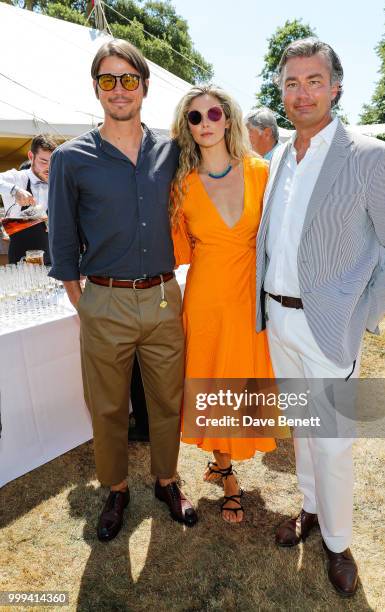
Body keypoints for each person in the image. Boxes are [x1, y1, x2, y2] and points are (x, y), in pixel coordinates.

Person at [255, 38, 385, 596]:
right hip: (279, 323)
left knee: (333, 441)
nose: (302, 93)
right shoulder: (278, 155)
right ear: (281, 91)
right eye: (291, 83)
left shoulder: (370, 156)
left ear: (336, 87)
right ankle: (309, 509)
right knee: (305, 432)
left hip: (330, 328)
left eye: (314, 81)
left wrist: (364, 313)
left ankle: (338, 541)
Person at [48, 39, 198, 542]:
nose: (119, 89)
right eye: (108, 80)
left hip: (162, 296)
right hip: (104, 298)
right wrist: (82, 299)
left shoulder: (172, 150)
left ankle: (166, 479)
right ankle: (115, 487)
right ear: (96, 88)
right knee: (108, 404)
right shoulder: (71, 158)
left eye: (128, 79)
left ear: (145, 87)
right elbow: (62, 237)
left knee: (167, 399)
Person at [171, 85, 276, 524]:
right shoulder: (181, 184)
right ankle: (227, 472)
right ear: (187, 128)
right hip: (207, 301)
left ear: (229, 118)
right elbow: (173, 249)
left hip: (251, 300)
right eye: (195, 118)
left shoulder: (260, 172)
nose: (206, 123)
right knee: (212, 385)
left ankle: (223, 461)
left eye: (213, 113)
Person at [0, 134, 57, 264]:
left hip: (51, 260)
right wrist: (15, 190)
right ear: (31, 156)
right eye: (43, 161)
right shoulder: (18, 178)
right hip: (21, 261)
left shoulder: (57, 183)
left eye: (53, 161)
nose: (49, 167)